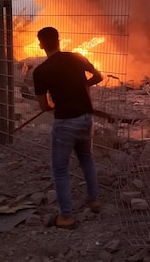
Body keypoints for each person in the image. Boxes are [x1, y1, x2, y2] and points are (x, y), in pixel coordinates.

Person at [32, 27, 103, 229]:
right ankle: (94, 200)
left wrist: (56, 103)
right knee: (86, 159)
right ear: (59, 40)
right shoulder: (76, 57)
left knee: (60, 169)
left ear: (41, 44)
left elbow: (44, 106)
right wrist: (83, 87)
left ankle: (66, 216)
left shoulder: (41, 71)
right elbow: (98, 76)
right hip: (86, 118)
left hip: (65, 122)